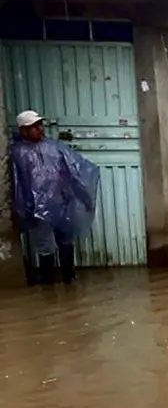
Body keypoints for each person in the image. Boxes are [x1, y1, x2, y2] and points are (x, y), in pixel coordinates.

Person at [10, 110, 99, 285]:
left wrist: (85, 197)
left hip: (62, 203)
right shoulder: (17, 153)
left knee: (66, 240)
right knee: (46, 247)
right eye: (33, 126)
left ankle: (69, 279)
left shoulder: (55, 148)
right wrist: (24, 209)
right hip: (36, 210)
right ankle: (48, 285)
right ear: (23, 130)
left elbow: (73, 174)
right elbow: (16, 184)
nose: (38, 129)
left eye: (39, 125)